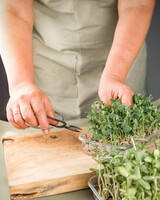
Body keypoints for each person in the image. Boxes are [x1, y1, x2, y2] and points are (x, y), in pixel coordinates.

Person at [0, 0, 155, 134]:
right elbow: (14, 9)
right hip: (46, 65)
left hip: (122, 58)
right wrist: (21, 83)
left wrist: (115, 76)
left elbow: (137, 3)